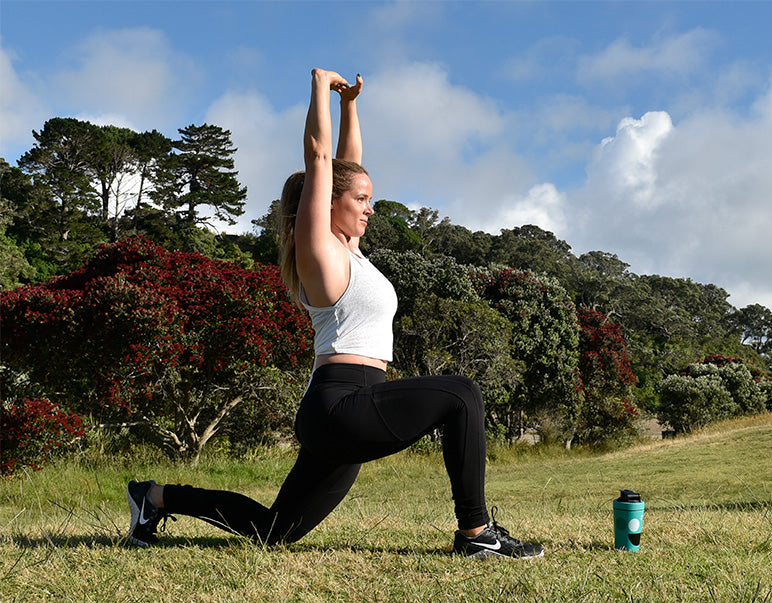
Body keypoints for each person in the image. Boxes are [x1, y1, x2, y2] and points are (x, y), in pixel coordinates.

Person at [126, 68, 543, 559]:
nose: (370, 209)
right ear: (326, 202)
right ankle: (476, 533)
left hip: (352, 409)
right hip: (339, 406)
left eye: (370, 199)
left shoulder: (353, 253)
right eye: (361, 200)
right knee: (462, 394)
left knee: (275, 531)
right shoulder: (320, 253)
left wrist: (350, 105)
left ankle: (155, 498)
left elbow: (346, 164)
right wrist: (320, 87)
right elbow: (321, 159)